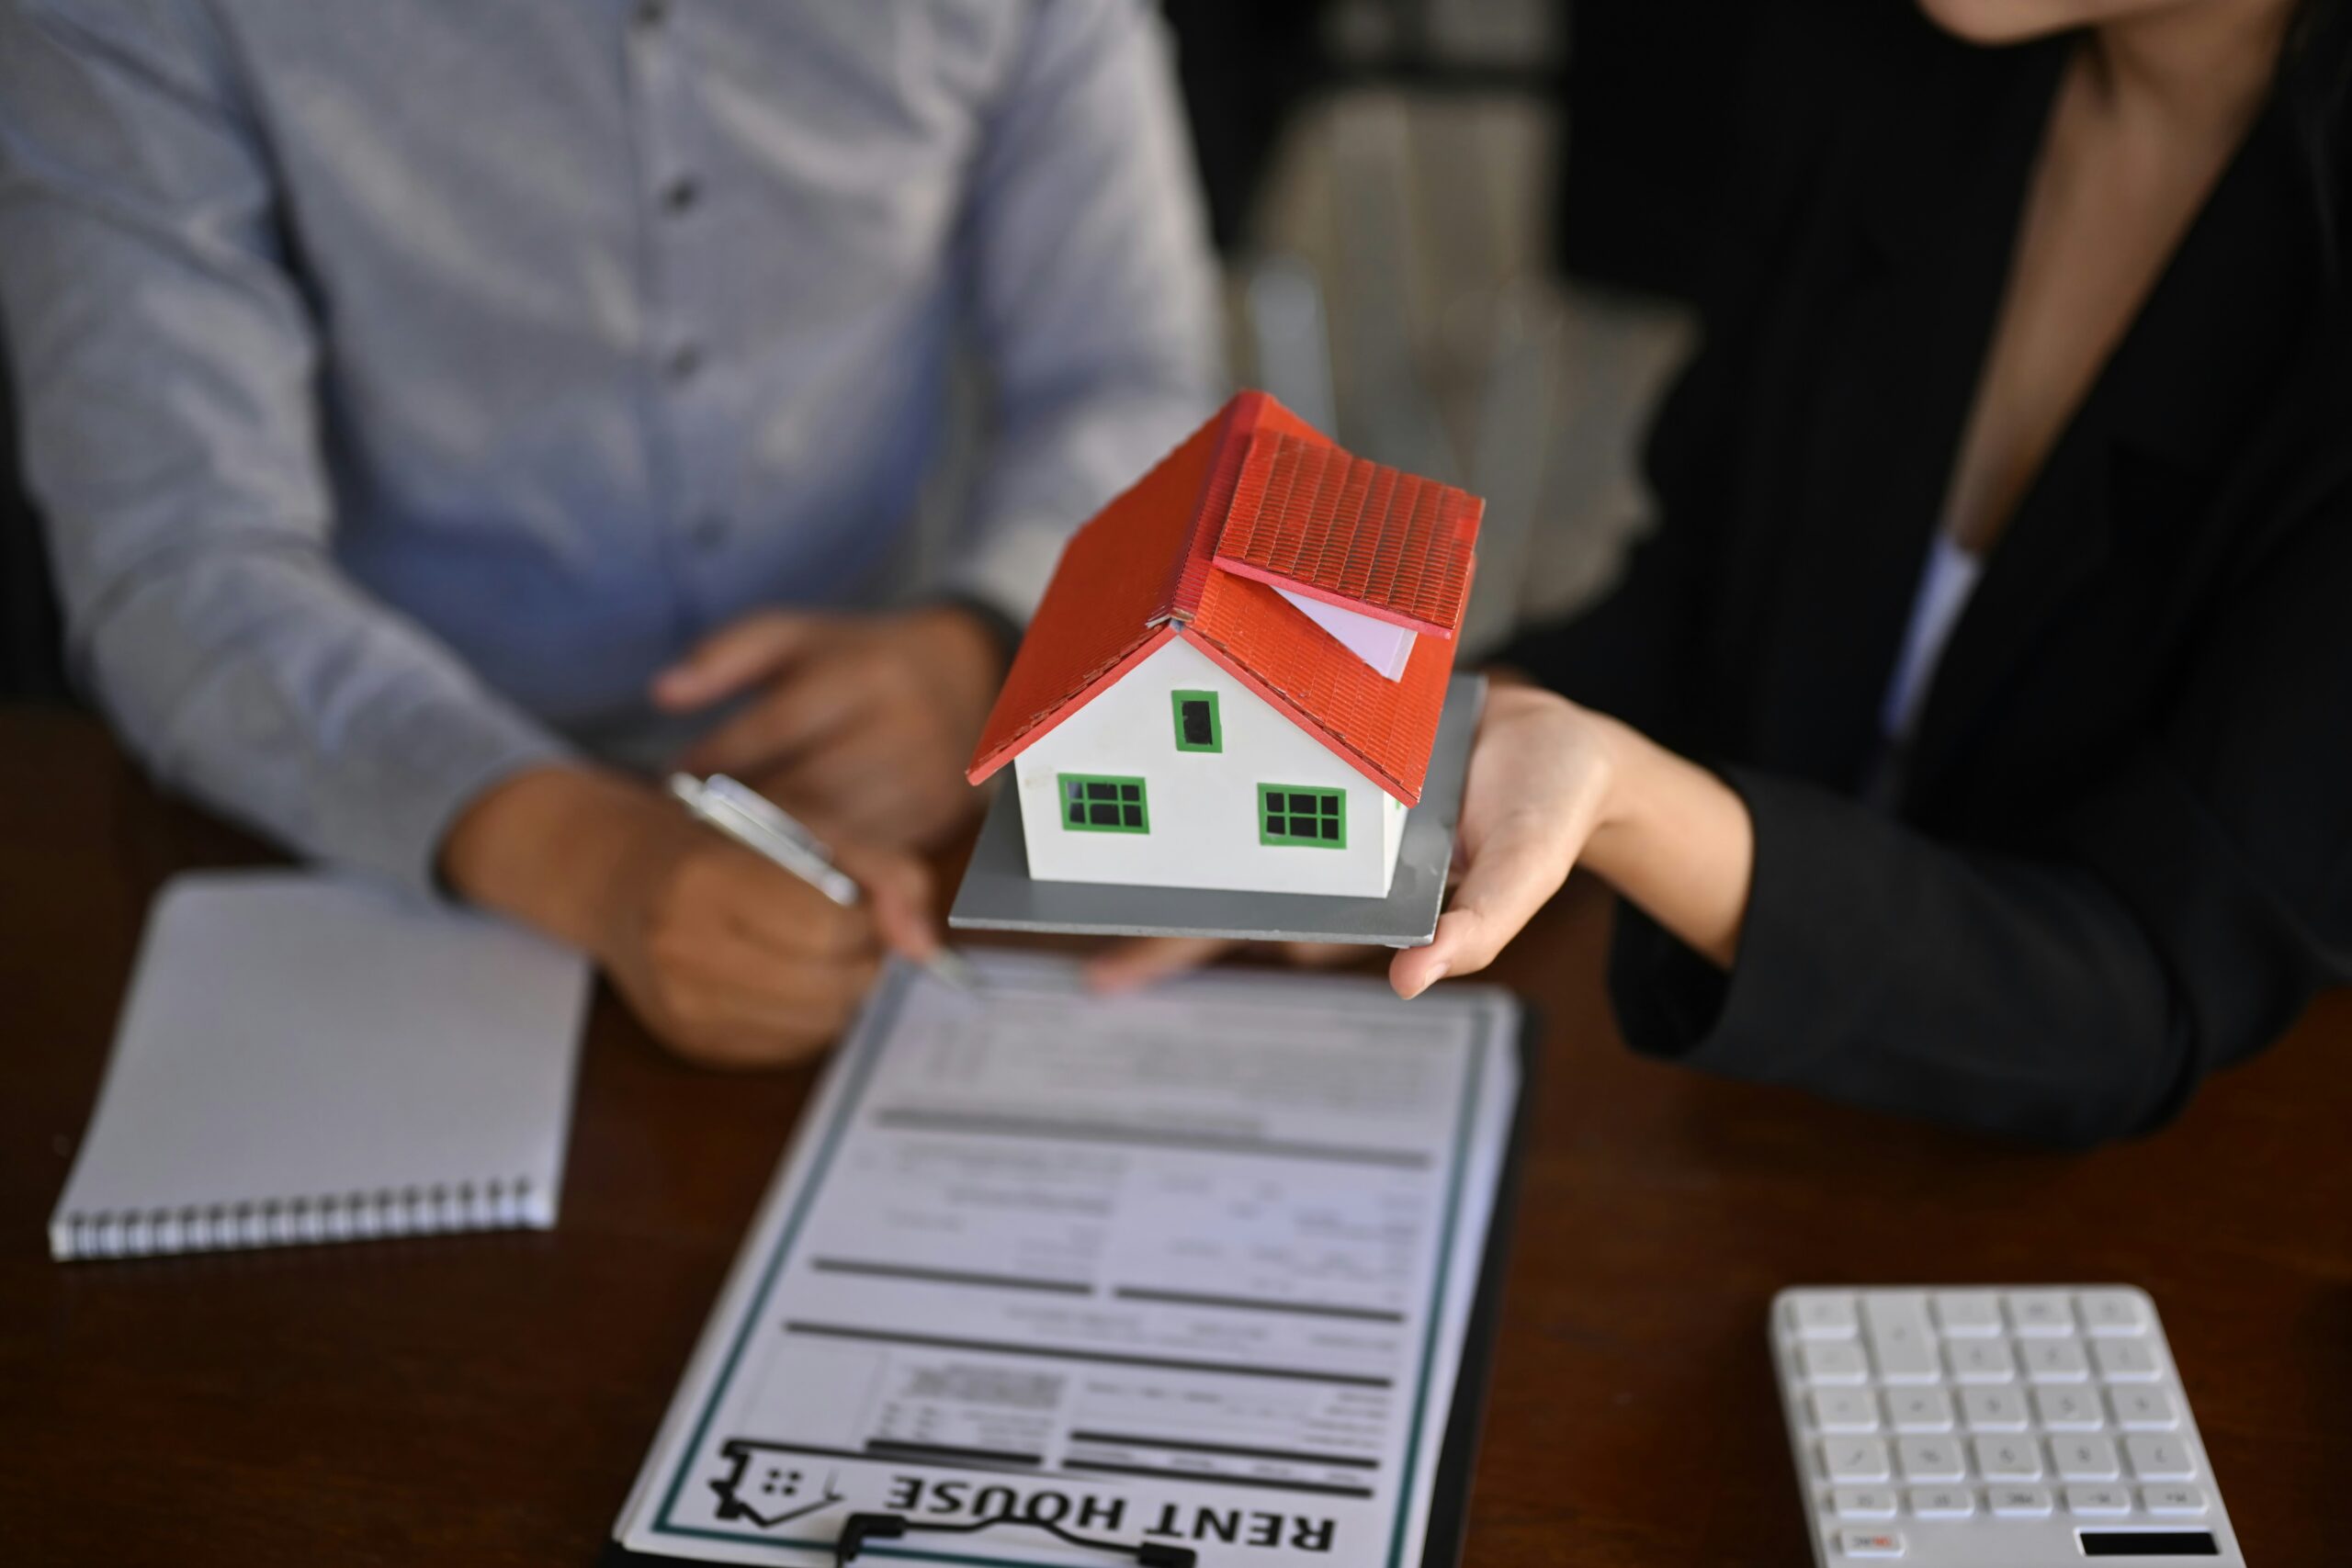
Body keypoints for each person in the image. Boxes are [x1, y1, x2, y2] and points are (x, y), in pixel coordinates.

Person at [1102, 0, 2352, 1146]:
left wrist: (1624, 800)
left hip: (2147, 1251)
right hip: (1751, 1142)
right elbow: (1708, 593)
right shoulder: (1887, 65)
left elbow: (2142, 986)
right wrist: (1412, 760)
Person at [0, 2, 1221, 1066]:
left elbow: (1131, 376)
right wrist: (583, 853)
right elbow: (177, 551)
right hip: (370, 812)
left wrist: (984, 646)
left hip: (920, 784)